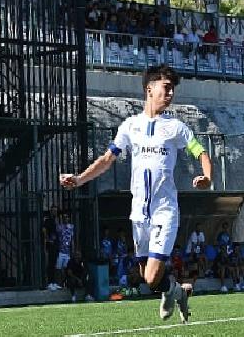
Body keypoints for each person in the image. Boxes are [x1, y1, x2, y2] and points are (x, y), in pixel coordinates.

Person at [60, 65, 213, 323]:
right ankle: (177, 291)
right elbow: (107, 159)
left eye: (173, 89)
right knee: (146, 277)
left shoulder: (176, 127)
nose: (171, 93)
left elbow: (201, 152)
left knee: (152, 276)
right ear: (149, 88)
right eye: (166, 87)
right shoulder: (130, 125)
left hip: (165, 210)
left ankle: (171, 289)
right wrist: (79, 179)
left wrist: (207, 177)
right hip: (139, 212)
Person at [55, 213, 74, 289]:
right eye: (64, 217)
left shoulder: (71, 227)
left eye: (67, 217)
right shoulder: (60, 227)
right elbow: (57, 230)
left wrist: (73, 249)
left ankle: (65, 283)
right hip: (60, 250)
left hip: (67, 251)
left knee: (66, 268)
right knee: (59, 268)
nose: (65, 218)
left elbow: (72, 239)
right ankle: (58, 283)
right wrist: (58, 218)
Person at [42, 206, 60, 290]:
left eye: (56, 211)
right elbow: (44, 230)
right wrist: (48, 239)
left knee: (54, 264)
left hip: (56, 245)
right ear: (51, 211)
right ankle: (50, 283)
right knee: (50, 264)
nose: (55, 213)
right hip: (51, 245)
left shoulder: (56, 221)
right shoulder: (48, 220)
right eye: (53, 211)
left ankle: (54, 282)